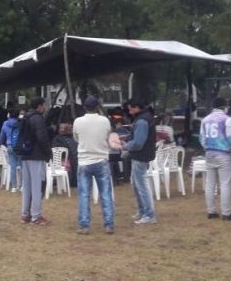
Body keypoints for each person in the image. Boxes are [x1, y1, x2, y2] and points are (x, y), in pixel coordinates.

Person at [73, 95, 115, 234]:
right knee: (105, 193)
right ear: (97, 107)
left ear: (84, 107)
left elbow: (76, 138)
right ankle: (109, 224)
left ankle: (84, 225)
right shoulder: (105, 121)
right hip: (101, 160)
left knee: (84, 194)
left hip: (84, 161)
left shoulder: (78, 121)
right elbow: (108, 136)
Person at [199, 97, 231, 221]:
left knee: (210, 184)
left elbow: (202, 138)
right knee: (225, 184)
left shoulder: (205, 120)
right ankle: (226, 213)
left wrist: (207, 148)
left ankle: (211, 211)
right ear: (224, 106)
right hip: (224, 154)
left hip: (209, 153)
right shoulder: (227, 119)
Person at [123, 98, 157, 225]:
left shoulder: (142, 120)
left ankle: (149, 214)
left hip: (140, 156)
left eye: (130, 108)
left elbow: (138, 143)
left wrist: (125, 145)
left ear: (136, 107)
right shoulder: (144, 118)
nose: (129, 110)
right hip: (140, 156)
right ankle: (142, 211)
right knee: (136, 185)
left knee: (142, 186)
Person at [19, 97, 51, 226]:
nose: (45, 107)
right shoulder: (38, 119)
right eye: (44, 105)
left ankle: (25, 214)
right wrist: (48, 152)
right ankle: (36, 216)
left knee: (26, 186)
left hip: (25, 155)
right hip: (36, 155)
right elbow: (42, 138)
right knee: (37, 186)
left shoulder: (25, 117)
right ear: (39, 106)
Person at [0, 107, 25, 192]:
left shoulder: (5, 123)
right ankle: (22, 186)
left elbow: (2, 136)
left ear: (8, 115)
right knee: (21, 166)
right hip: (19, 146)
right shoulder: (20, 123)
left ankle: (13, 186)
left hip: (9, 146)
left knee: (12, 167)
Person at [52, 123, 79, 188]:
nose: (60, 129)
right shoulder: (74, 139)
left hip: (63, 164)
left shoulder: (57, 139)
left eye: (62, 128)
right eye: (60, 128)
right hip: (74, 163)